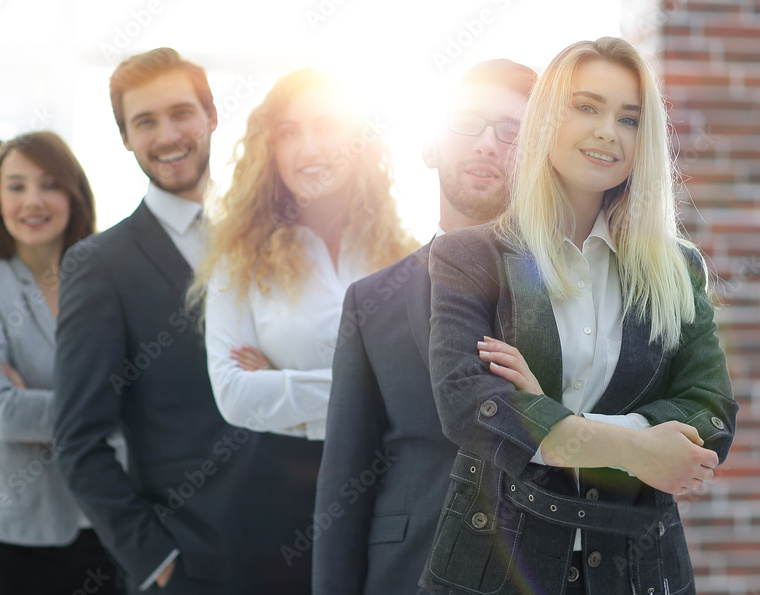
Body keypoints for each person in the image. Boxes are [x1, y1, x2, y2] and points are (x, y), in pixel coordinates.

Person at [424, 37, 738, 594]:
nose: (606, 132)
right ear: (546, 117)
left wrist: (547, 417)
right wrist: (638, 448)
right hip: (494, 568)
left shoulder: (677, 269)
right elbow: (469, 405)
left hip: (639, 570)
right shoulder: (471, 256)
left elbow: (712, 414)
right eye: (587, 107)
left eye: (629, 119)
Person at [311, 59, 536, 595]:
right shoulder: (369, 303)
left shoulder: (579, 292)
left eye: (512, 131)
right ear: (430, 144)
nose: (488, 143)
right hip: (407, 574)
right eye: (468, 123)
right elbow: (345, 478)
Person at [192, 68, 419, 594]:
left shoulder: (403, 254)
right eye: (289, 132)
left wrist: (287, 383)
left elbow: (420, 390)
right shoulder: (238, 258)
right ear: (269, 150)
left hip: (387, 489)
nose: (308, 147)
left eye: (326, 126)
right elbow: (233, 393)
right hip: (276, 500)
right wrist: (369, 390)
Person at [53, 48, 254, 594]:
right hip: (192, 561)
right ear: (125, 138)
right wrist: (156, 562)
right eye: (145, 121)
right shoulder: (99, 265)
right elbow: (77, 441)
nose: (167, 135)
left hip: (306, 545)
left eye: (181, 113)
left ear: (211, 116)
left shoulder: (269, 237)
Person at [0, 130, 123, 595]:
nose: (33, 201)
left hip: (107, 527)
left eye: (49, 184)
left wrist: (41, 403)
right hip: (10, 538)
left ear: (74, 192)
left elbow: (150, 395)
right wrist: (109, 411)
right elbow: (5, 415)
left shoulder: (112, 279)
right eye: (16, 186)